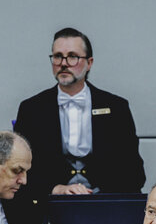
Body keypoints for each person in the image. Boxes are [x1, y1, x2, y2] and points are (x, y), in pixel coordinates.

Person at [14, 27, 145, 197]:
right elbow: (18, 169)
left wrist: (101, 195)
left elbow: (134, 172)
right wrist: (55, 189)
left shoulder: (116, 107)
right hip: (49, 204)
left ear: (89, 63)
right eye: (58, 56)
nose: (63, 63)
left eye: (73, 57)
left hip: (104, 203)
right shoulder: (32, 109)